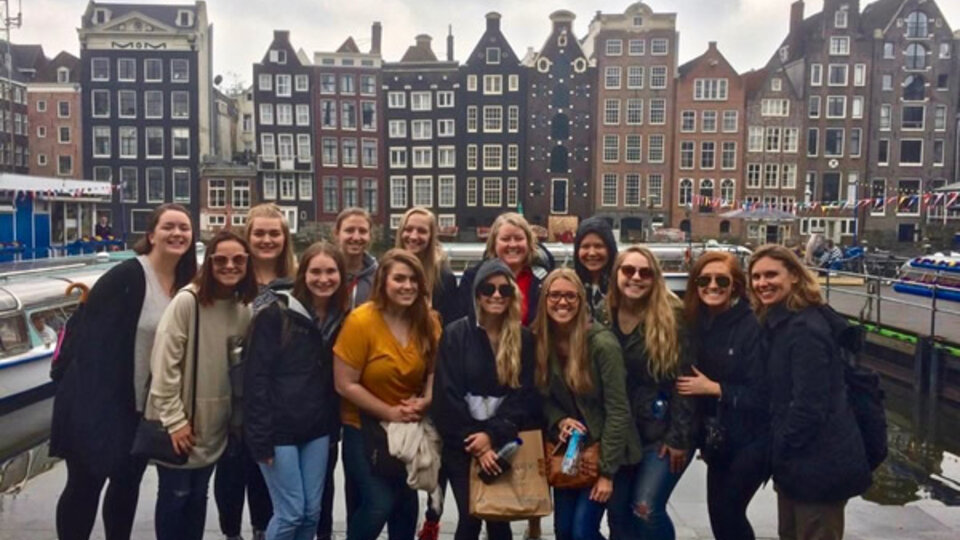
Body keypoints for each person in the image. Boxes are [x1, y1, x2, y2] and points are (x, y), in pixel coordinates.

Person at [50, 203, 197, 540]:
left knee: (126, 486)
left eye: (184, 228)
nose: (177, 233)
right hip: (98, 403)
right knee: (85, 485)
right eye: (169, 227)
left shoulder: (186, 282)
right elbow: (92, 346)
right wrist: (98, 411)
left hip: (141, 408)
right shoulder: (127, 276)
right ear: (151, 235)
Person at [748, 245, 871, 540]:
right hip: (799, 464)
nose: (762, 283)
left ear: (793, 276)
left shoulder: (804, 330)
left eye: (771, 275)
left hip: (818, 465)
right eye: (756, 277)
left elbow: (810, 405)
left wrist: (782, 447)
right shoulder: (783, 321)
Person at [145, 229, 259, 540]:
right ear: (208, 263)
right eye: (220, 259)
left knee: (198, 497)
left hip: (215, 428)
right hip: (183, 425)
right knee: (176, 496)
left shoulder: (243, 308)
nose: (230, 266)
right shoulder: (187, 302)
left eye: (238, 260)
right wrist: (174, 420)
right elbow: (163, 366)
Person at [333, 249, 441, 540]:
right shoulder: (361, 321)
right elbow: (344, 383)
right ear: (383, 281)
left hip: (408, 427)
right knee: (379, 503)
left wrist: (428, 398)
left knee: (406, 507)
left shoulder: (427, 321)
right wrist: (389, 412)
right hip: (362, 425)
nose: (408, 286)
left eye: (414, 280)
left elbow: (434, 368)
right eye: (399, 279)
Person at [245, 241, 347, 540]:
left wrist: (331, 427)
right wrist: (260, 438)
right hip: (279, 431)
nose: (323, 278)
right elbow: (256, 379)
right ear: (303, 275)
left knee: (311, 514)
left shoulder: (342, 318)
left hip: (316, 430)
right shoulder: (276, 314)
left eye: (331, 271)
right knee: (290, 512)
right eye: (315, 271)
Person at [431, 258, 538, 540]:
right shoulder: (455, 334)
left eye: (504, 290)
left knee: (500, 518)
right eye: (488, 289)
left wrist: (492, 436)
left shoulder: (524, 339)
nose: (496, 296)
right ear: (477, 293)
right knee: (470, 516)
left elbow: (524, 395)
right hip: (461, 443)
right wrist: (475, 441)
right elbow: (446, 394)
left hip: (503, 441)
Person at [534, 268, 640, 540]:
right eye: (554, 295)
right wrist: (559, 419)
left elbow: (619, 410)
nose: (562, 302)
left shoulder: (602, 344)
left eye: (570, 296)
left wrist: (607, 473)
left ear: (581, 301)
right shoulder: (541, 342)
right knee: (564, 532)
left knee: (583, 532)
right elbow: (541, 398)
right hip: (570, 454)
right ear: (544, 299)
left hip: (606, 451)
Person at [604, 246, 696, 540]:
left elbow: (686, 379)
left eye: (644, 272)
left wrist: (679, 437)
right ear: (616, 275)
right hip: (620, 434)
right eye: (628, 270)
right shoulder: (603, 315)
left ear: (655, 278)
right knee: (617, 514)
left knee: (646, 507)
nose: (636, 277)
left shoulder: (674, 318)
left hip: (662, 433)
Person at [676, 252, 769, 540]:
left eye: (721, 280)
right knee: (719, 515)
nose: (712, 286)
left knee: (730, 511)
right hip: (719, 439)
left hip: (753, 439)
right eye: (704, 279)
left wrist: (715, 389)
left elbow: (764, 394)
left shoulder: (751, 326)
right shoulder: (697, 322)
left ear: (735, 286)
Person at [212, 204, 292, 540]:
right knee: (231, 470)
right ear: (248, 236)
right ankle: (231, 533)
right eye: (259, 233)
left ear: (285, 238)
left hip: (276, 398)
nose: (267, 240)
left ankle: (262, 530)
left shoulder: (296, 282)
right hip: (230, 392)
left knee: (265, 471)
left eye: (274, 233)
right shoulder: (228, 278)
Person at [459, 212, 545, 327]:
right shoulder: (472, 278)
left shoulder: (543, 279)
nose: (513, 244)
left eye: (519, 238)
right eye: (505, 239)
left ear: (529, 243)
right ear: (494, 243)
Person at [395, 206, 460, 326]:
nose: (413, 236)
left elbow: (447, 325)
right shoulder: (387, 271)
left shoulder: (444, 278)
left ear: (431, 236)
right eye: (408, 229)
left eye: (422, 231)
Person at [573, 217, 618, 325]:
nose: (592, 253)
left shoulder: (621, 285)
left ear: (610, 249)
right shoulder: (572, 284)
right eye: (585, 246)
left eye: (598, 246)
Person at [335, 207, 378, 310]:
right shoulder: (323, 273)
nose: (356, 237)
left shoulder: (379, 276)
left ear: (370, 236)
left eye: (362, 231)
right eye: (349, 230)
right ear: (337, 234)